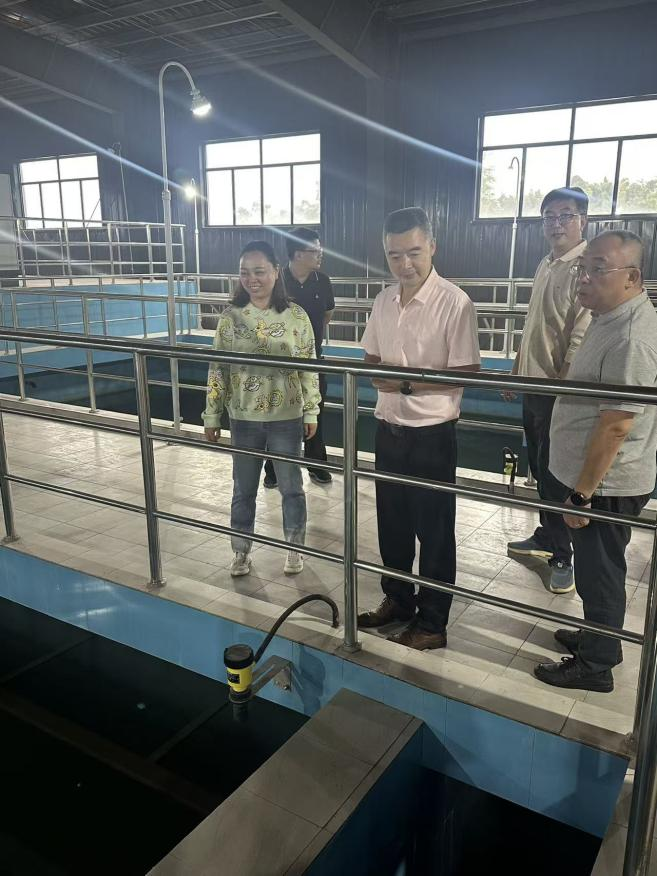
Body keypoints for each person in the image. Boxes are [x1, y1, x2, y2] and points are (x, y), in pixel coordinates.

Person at [534, 230, 657, 692]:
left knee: (601, 573)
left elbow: (617, 424)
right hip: (595, 480)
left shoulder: (631, 336)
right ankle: (599, 639)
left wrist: (583, 493)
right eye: (582, 268)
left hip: (606, 484)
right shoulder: (610, 316)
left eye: (597, 269)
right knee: (593, 569)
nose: (584, 278)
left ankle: (596, 666)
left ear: (632, 277)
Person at [357, 207, 480, 650]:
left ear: (432, 247)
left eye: (413, 252)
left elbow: (465, 370)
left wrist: (406, 383)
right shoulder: (383, 301)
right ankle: (398, 599)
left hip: (432, 435)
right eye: (394, 255)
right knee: (392, 524)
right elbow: (370, 359)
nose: (404, 264)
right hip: (388, 427)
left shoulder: (454, 302)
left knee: (434, 532)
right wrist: (390, 380)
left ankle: (432, 623)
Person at [202, 241, 321, 578]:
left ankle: (295, 547)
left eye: (259, 271)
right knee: (243, 489)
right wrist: (212, 414)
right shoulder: (230, 317)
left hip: (287, 416)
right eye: (244, 273)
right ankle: (241, 551)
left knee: (291, 487)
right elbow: (218, 369)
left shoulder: (296, 316)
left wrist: (311, 410)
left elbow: (309, 365)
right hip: (243, 417)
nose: (251, 279)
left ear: (275, 272)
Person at [506, 186, 591, 595]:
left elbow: (580, 335)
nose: (557, 224)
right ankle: (546, 534)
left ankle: (562, 556)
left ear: (583, 221)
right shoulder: (547, 263)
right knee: (540, 468)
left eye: (566, 216)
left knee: (556, 475)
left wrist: (562, 389)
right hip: (534, 384)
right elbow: (534, 322)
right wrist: (517, 367)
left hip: (557, 391)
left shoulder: (585, 268)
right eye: (549, 217)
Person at [263, 228, 335, 489]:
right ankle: (273, 468)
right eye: (315, 250)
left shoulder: (322, 281)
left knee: (316, 413)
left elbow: (327, 315)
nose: (320, 254)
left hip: (313, 360)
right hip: (281, 364)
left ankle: (316, 464)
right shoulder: (277, 280)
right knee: (278, 417)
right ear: (297, 254)